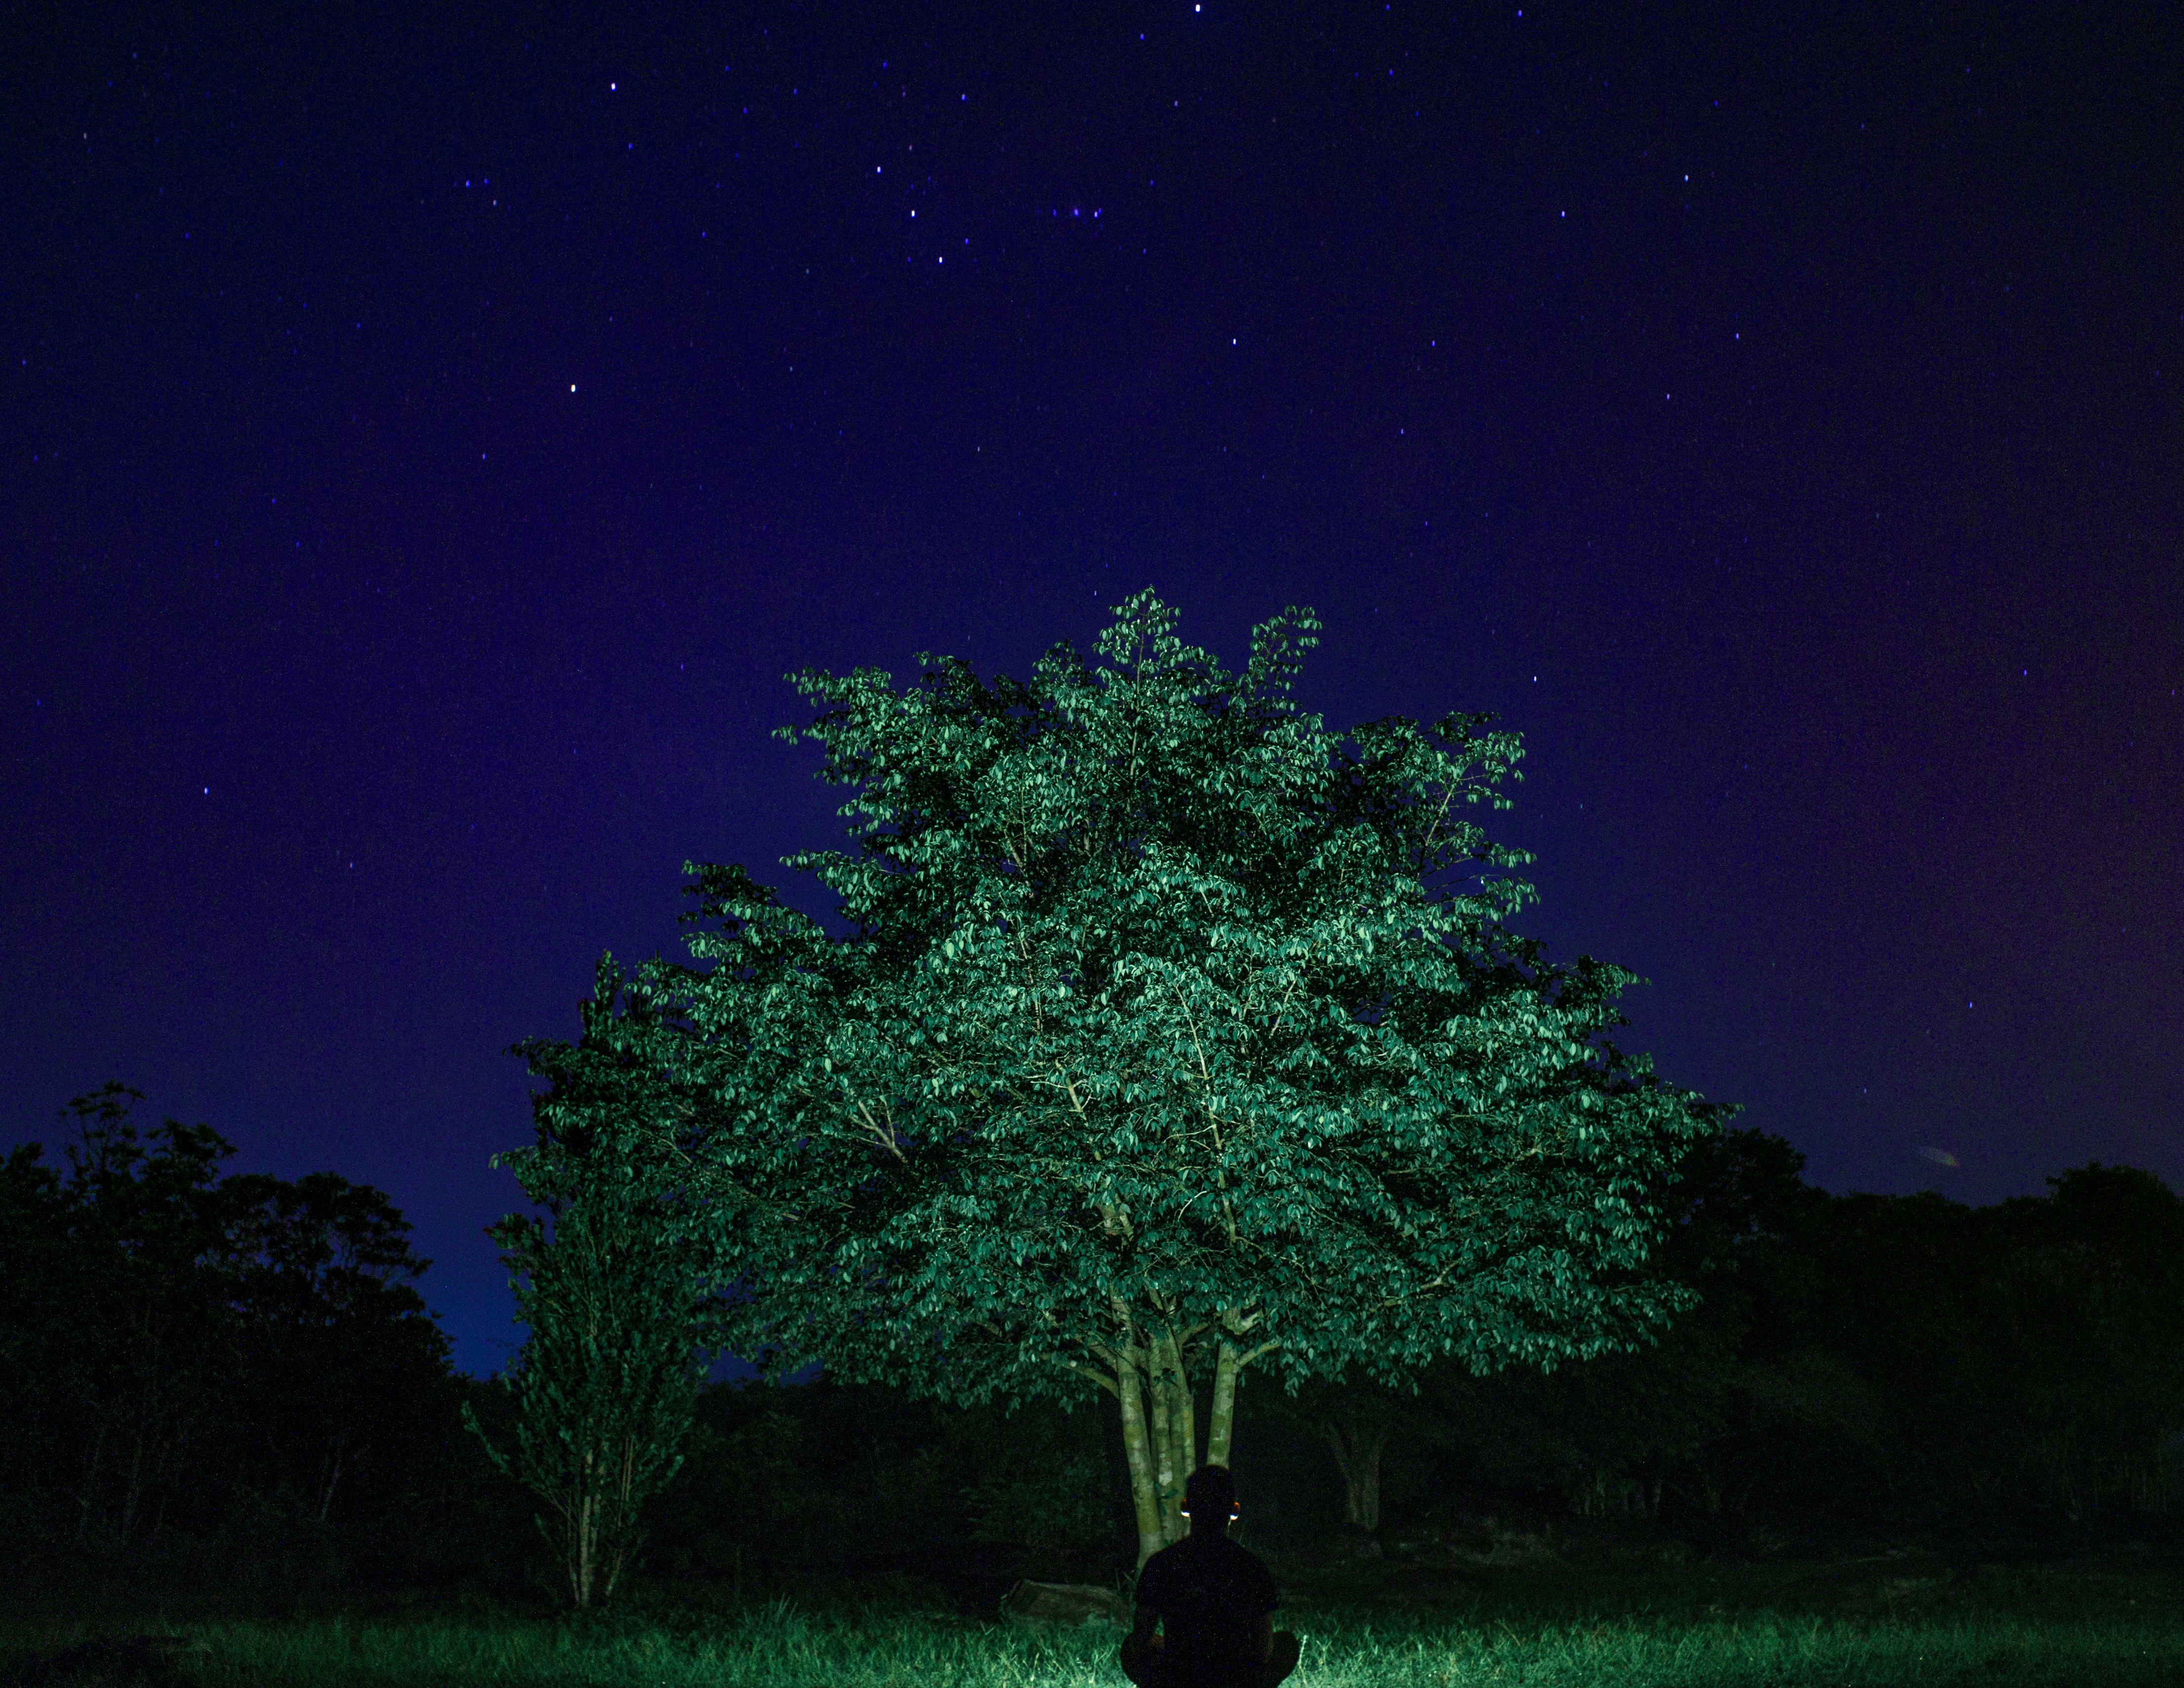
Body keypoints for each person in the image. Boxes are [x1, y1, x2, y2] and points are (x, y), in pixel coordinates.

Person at [1120, 1465, 1301, 1688]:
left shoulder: (1161, 1564)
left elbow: (1141, 1639)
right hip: (1235, 1679)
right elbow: (1263, 1650)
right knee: (1286, 1645)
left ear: (1186, 1507)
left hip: (1178, 1677)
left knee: (1131, 1648)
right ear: (1234, 1511)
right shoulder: (1252, 1567)